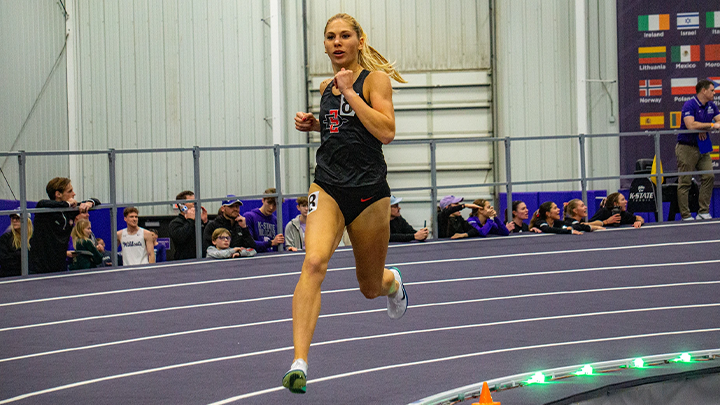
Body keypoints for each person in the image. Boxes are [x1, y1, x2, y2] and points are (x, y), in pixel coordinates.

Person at [283, 13, 408, 394]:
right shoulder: (325, 87)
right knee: (314, 261)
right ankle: (299, 362)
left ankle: (393, 282)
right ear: (324, 45)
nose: (337, 42)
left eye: (345, 36)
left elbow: (386, 131)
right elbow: (343, 125)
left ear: (359, 41)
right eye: (330, 37)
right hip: (329, 185)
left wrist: (351, 91)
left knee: (369, 286)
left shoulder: (375, 81)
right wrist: (316, 124)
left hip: (369, 191)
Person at [29, 177, 100, 273]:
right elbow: (41, 203)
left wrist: (89, 203)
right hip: (39, 267)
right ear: (58, 194)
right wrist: (67, 203)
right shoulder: (44, 211)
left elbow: (96, 201)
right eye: (70, 191)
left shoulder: (70, 211)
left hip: (59, 265)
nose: (74, 194)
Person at [676, 79, 720, 220]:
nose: (714, 93)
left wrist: (703, 127)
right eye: (712, 90)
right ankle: (686, 215)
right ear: (704, 90)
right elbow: (690, 125)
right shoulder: (689, 104)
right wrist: (709, 125)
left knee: (709, 176)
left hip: (703, 146)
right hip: (687, 147)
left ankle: (703, 211)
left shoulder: (711, 105)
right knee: (685, 181)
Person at [169, 190, 208, 260]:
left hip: (201, 259)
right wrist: (190, 220)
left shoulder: (199, 222)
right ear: (182, 205)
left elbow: (208, 238)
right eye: (192, 202)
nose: (195, 204)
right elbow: (181, 238)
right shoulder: (175, 223)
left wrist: (205, 222)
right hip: (184, 261)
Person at [244, 188, 285, 252]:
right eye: (269, 203)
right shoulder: (249, 217)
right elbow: (248, 243)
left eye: (274, 205)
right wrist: (271, 243)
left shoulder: (276, 221)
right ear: (263, 200)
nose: (271, 207)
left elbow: (281, 245)